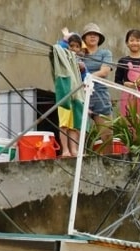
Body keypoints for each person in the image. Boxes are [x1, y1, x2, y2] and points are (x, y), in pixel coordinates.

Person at [54, 29, 87, 157]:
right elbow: (57, 47)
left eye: (77, 46)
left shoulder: (81, 62)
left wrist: (84, 71)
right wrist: (65, 38)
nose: (74, 49)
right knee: (64, 124)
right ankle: (65, 150)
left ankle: (74, 149)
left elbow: (86, 77)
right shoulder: (62, 56)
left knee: (74, 125)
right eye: (71, 46)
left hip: (77, 95)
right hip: (64, 92)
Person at [80, 23, 113, 146]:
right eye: (89, 34)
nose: (93, 36)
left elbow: (104, 71)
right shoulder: (79, 55)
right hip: (82, 95)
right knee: (81, 135)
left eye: (95, 34)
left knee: (107, 135)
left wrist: (88, 77)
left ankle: (108, 163)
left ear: (99, 38)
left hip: (100, 95)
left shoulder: (105, 53)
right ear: (84, 38)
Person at [114, 29, 140, 118]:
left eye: (137, 40)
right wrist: (124, 84)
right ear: (127, 43)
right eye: (131, 40)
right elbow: (117, 81)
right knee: (128, 119)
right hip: (127, 97)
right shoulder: (123, 61)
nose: (134, 43)